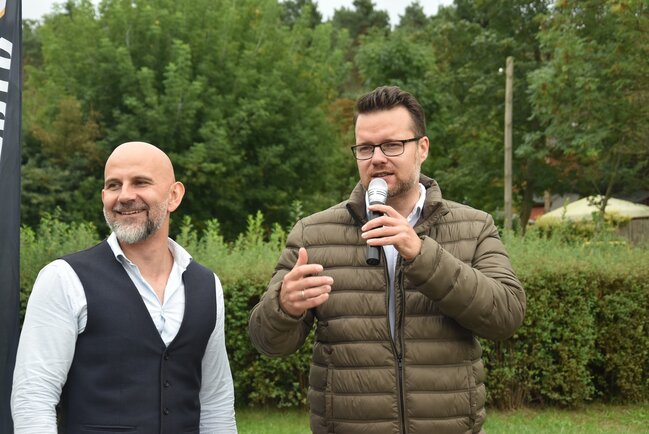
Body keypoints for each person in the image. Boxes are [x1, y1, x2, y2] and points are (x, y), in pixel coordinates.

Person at [249, 86, 526, 434]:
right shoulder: (313, 234)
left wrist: (422, 254)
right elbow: (267, 341)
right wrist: (283, 307)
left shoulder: (473, 226)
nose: (377, 158)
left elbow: (506, 316)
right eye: (365, 148)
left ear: (422, 148)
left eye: (392, 145)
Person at [12, 142, 237, 433]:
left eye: (140, 182)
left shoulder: (207, 285)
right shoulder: (63, 278)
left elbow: (216, 402)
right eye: (114, 185)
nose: (125, 196)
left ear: (174, 196)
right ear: (103, 196)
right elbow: (34, 397)